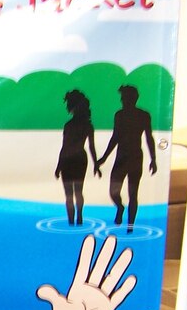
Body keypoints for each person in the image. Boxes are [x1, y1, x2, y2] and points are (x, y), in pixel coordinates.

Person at [96, 84, 157, 231]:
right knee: (113, 191)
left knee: (133, 193)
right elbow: (115, 138)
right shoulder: (119, 115)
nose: (123, 100)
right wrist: (103, 158)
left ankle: (130, 226)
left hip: (135, 157)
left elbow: (149, 138)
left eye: (125, 97)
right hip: (121, 157)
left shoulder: (144, 115)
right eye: (122, 98)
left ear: (133, 98)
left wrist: (153, 159)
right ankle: (120, 207)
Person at [54, 89, 100, 226]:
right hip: (79, 158)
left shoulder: (70, 125)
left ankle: (73, 220)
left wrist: (58, 166)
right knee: (77, 192)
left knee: (70, 193)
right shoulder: (87, 125)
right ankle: (78, 218)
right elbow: (91, 147)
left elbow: (65, 147)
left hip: (70, 159)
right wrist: (96, 164)